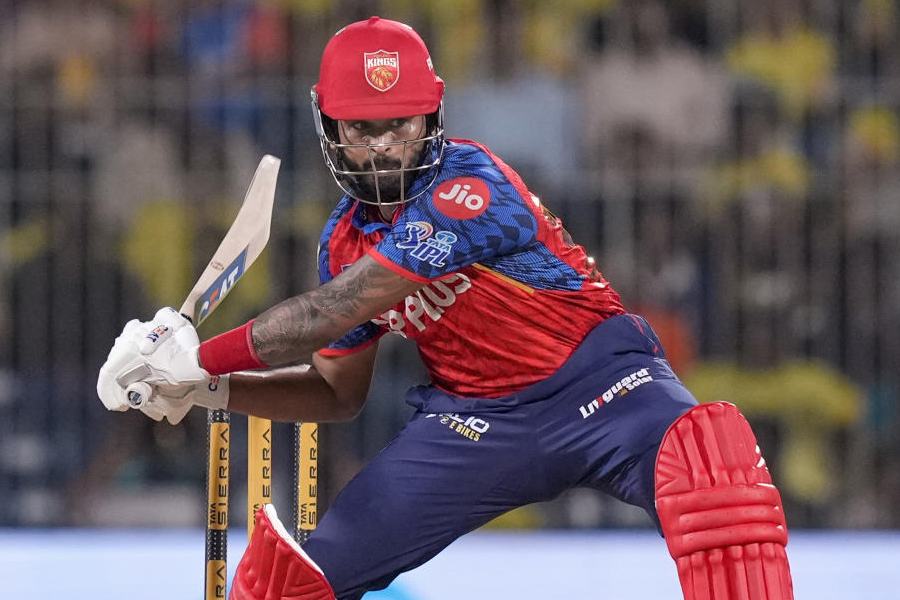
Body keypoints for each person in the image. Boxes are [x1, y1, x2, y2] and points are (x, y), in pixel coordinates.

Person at [96, 16, 794, 600]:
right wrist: (210, 387)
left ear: (431, 114)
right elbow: (336, 395)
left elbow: (340, 308)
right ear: (329, 129)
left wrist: (197, 354)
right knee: (292, 582)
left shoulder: (472, 182)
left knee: (713, 472)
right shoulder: (342, 241)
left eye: (398, 123)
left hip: (605, 387)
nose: (382, 145)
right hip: (476, 425)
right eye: (360, 128)